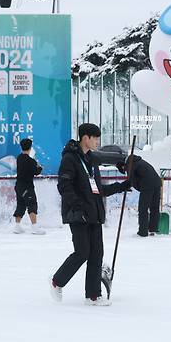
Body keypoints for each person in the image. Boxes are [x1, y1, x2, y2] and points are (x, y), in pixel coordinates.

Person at [51, 123, 131, 307]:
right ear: (85, 138)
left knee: (97, 253)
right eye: (95, 138)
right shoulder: (70, 159)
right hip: (78, 214)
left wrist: (120, 186)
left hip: (93, 213)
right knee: (82, 252)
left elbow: (97, 189)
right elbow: (64, 186)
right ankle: (57, 281)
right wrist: (78, 207)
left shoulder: (91, 160)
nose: (97, 141)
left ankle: (93, 295)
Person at [13, 138, 44, 235]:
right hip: (27, 186)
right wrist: (39, 167)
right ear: (30, 147)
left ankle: (17, 226)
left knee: (21, 205)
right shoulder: (31, 161)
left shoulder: (19, 158)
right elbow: (36, 172)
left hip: (18, 186)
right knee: (32, 204)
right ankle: (34, 227)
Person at [126, 155, 162, 237]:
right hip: (157, 183)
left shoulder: (132, 165)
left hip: (147, 186)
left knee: (143, 209)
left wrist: (138, 188)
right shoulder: (141, 162)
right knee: (154, 208)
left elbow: (132, 181)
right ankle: (153, 229)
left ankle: (143, 231)